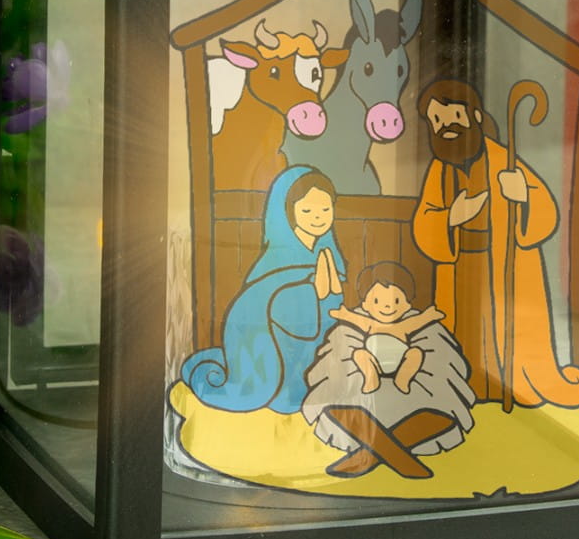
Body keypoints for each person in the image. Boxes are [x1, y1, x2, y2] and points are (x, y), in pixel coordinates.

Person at [410, 77, 579, 411]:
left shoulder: (504, 162)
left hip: (500, 266)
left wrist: (523, 196)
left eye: (454, 117)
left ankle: (506, 385)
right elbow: (425, 220)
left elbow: (545, 215)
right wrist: (452, 216)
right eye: (437, 120)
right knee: (463, 330)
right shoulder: (439, 170)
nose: (446, 126)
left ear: (475, 117)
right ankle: (465, 388)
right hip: (460, 268)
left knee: (500, 329)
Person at [181, 166, 344, 415]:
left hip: (311, 356)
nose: (318, 217)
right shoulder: (274, 261)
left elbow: (332, 308)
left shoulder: (327, 255)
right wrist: (312, 293)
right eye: (307, 210)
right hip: (271, 356)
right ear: (288, 212)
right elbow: (264, 310)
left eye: (325, 209)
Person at [329, 261, 445, 393]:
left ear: (407, 306)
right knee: (359, 354)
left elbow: (418, 321)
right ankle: (371, 378)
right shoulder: (370, 324)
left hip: (400, 361)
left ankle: (403, 379)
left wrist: (428, 316)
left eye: (396, 301)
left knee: (415, 353)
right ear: (365, 305)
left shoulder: (402, 326)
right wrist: (344, 314)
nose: (387, 306)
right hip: (375, 361)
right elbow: (355, 319)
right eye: (376, 301)